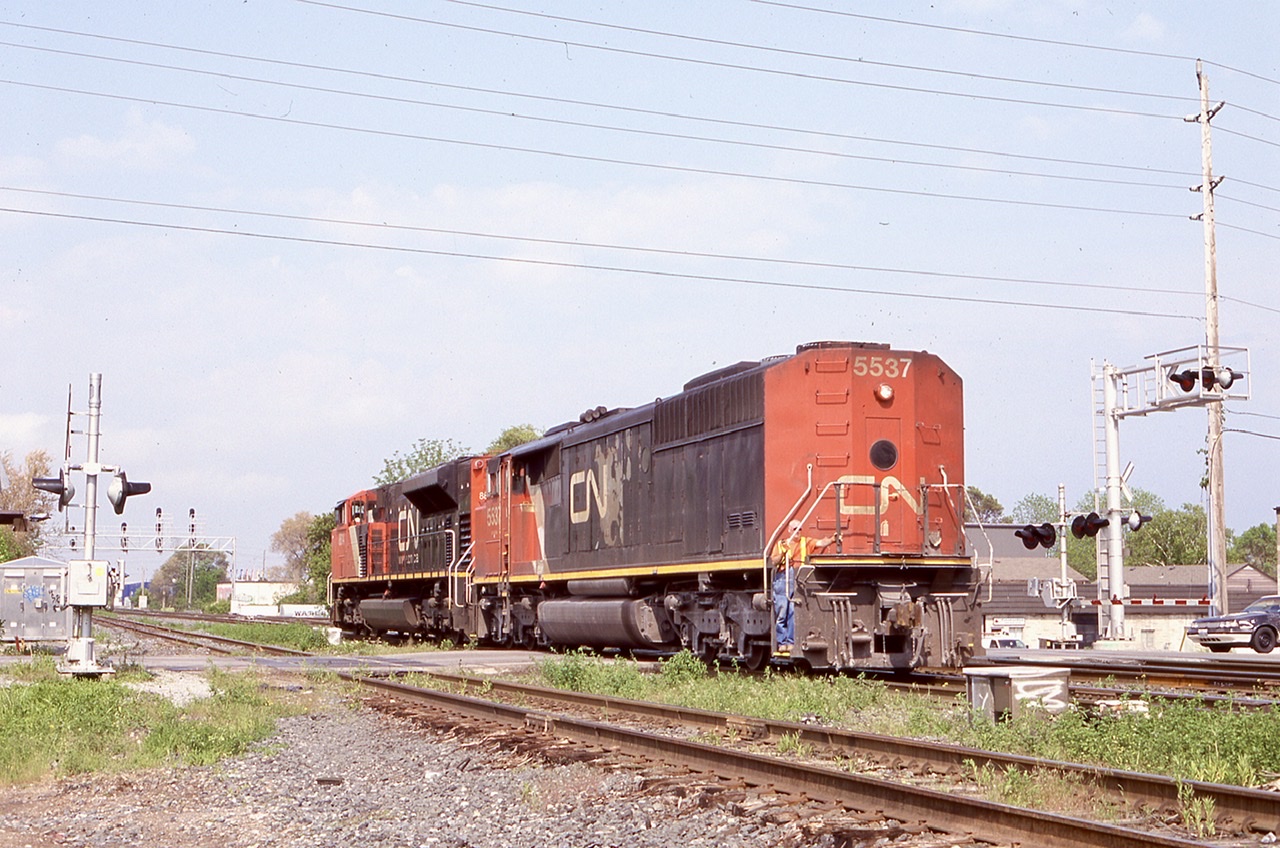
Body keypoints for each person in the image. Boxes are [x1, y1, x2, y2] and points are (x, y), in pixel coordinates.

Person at [769, 520, 835, 651]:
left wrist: (832, 539)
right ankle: (781, 643)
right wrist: (783, 553)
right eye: (795, 529)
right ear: (789, 530)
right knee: (782, 611)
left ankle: (791, 641)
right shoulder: (781, 544)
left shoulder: (806, 542)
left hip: (800, 578)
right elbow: (774, 561)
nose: (797, 532)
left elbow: (820, 542)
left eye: (799, 529)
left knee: (794, 611)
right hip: (784, 578)